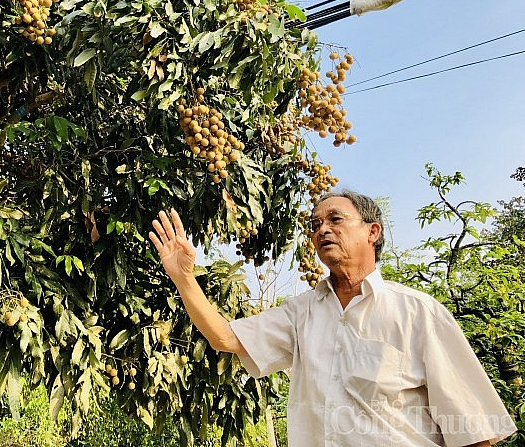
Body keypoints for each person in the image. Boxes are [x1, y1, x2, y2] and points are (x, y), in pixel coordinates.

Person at [150, 191, 517, 447]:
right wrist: (183, 279)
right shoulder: (301, 313)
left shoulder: (418, 313)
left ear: (372, 232)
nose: (322, 229)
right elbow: (225, 339)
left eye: (335, 219)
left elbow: (472, 429)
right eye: (315, 224)